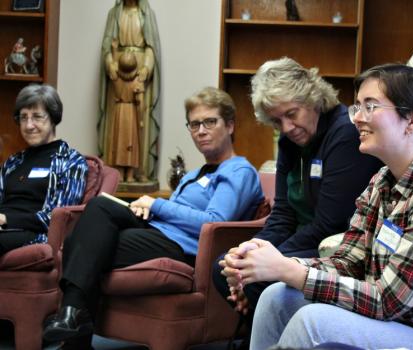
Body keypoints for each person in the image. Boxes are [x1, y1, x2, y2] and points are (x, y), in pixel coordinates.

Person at [222, 64, 413, 350]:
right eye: (358, 107)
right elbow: (348, 262)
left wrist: (288, 269)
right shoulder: (382, 181)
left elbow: (387, 300)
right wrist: (269, 262)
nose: (357, 118)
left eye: (370, 106)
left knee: (313, 320)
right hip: (407, 322)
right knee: (277, 297)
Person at [43, 87, 264, 349]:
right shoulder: (194, 174)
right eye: (194, 124)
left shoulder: (239, 170)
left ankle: (74, 327)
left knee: (84, 244)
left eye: (210, 122)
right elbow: (172, 213)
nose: (201, 130)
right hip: (157, 232)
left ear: (229, 125)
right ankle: (73, 319)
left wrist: (157, 204)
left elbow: (213, 220)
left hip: (183, 248)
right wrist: (148, 209)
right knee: (100, 207)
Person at [212, 57, 383, 346]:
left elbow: (329, 224)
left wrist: (267, 261)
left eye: (292, 113)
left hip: (334, 246)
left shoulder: (344, 133)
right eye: (277, 120)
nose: (288, 127)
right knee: (226, 266)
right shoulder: (289, 141)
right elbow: (282, 215)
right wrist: (249, 250)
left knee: (257, 275)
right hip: (301, 242)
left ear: (313, 98)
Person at [0, 84, 88, 255]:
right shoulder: (13, 162)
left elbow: (58, 219)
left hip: (33, 234)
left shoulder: (71, 162)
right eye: (23, 117)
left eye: (37, 117)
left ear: (53, 118)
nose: (29, 125)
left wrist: (6, 219)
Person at [98, 0, 160, 183]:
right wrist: (110, 64)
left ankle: (139, 170)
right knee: (117, 121)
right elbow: (106, 45)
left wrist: (146, 69)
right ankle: (114, 172)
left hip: (139, 70)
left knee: (138, 122)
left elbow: (151, 47)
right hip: (118, 70)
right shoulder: (114, 13)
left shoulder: (146, 14)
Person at [107, 51, 145, 182]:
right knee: (131, 142)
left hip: (119, 111)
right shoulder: (138, 82)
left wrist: (114, 49)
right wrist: (140, 119)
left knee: (119, 141)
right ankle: (129, 175)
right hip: (132, 112)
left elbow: (111, 63)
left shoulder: (115, 78)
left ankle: (120, 173)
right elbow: (140, 103)